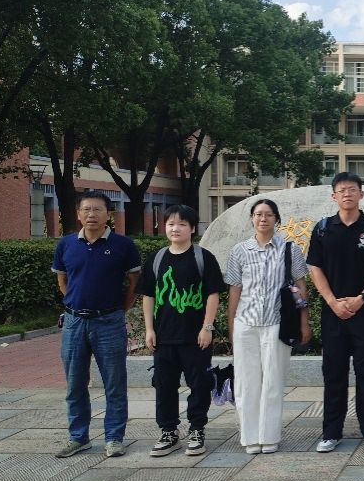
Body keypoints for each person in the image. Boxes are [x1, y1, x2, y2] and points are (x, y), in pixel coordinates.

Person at [307, 172, 364, 454]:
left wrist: (361, 299)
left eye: (352, 189)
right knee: (334, 374)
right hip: (333, 314)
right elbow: (315, 267)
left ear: (361, 194)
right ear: (334, 196)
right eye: (341, 190)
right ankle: (331, 433)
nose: (347, 194)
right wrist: (332, 302)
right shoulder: (322, 229)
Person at [53, 191, 142, 458]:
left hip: (109, 322)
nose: (91, 214)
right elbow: (62, 280)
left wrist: (119, 310)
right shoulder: (66, 244)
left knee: (114, 383)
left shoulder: (123, 245)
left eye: (97, 209)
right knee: (74, 384)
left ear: (108, 213)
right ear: (78, 213)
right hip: (74, 323)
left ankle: (114, 438)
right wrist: (75, 304)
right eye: (86, 209)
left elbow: (134, 283)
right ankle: (78, 437)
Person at [138, 205, 224, 457]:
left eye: (182, 224)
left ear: (192, 228)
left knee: (199, 384)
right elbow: (148, 296)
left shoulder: (203, 257)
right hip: (164, 336)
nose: (175, 228)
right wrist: (149, 329)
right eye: (170, 224)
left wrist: (207, 327)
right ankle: (168, 431)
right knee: (164, 385)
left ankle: (197, 429)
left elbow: (213, 294)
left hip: (195, 337)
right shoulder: (157, 258)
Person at [226, 198, 310, 454]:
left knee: (273, 380)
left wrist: (304, 322)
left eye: (269, 214)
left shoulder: (290, 250)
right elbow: (235, 290)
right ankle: (250, 437)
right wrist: (231, 325)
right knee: (246, 382)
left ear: (277, 219)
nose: (263, 219)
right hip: (246, 322)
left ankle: (269, 436)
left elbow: (300, 288)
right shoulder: (239, 251)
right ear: (252, 218)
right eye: (258, 214)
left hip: (277, 323)